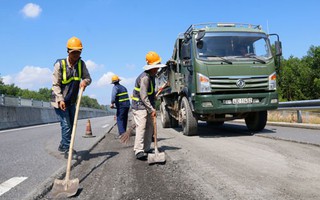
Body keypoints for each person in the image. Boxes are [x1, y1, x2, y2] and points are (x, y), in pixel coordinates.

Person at [51, 36, 92, 159]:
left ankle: (63, 144)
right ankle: (68, 150)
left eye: (78, 52)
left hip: (72, 100)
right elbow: (55, 84)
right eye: (74, 52)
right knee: (66, 125)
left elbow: (88, 78)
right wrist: (61, 99)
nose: (76, 54)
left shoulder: (81, 64)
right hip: (59, 99)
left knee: (72, 125)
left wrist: (85, 82)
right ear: (68, 51)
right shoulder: (60, 65)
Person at [131, 51, 166, 160]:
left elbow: (150, 94)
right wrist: (151, 109)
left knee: (150, 126)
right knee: (141, 127)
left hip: (147, 104)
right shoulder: (145, 78)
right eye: (156, 67)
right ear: (151, 67)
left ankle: (146, 148)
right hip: (139, 106)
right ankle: (138, 150)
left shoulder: (152, 77)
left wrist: (155, 97)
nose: (158, 69)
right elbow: (143, 96)